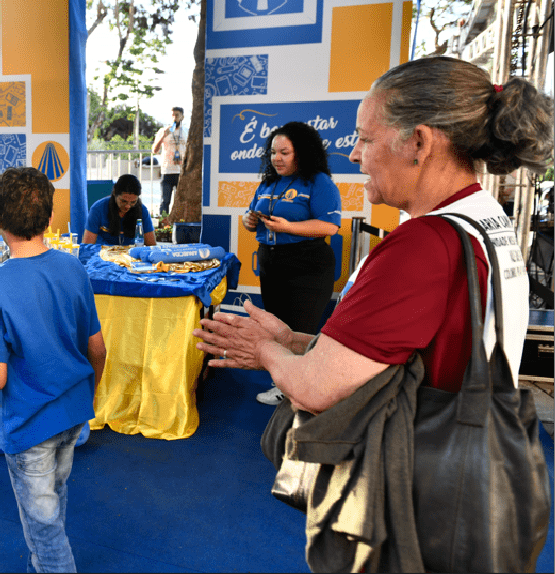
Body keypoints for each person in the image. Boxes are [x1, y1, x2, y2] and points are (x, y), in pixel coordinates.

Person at [193, 57, 552, 567]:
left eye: (365, 138)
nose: (355, 154)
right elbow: (407, 350)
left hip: (415, 493)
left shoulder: (423, 245)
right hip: (477, 473)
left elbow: (316, 388)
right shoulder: (483, 218)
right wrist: (297, 341)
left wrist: (266, 350)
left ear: (420, 142)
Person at [0, 167, 107, 573]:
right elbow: (98, 348)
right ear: (51, 218)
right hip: (74, 414)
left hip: (30, 426)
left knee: (46, 530)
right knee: (54, 500)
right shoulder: (74, 267)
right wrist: (89, 394)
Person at [241, 121, 341, 404]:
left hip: (307, 264)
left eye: (284, 152)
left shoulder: (319, 182)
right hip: (272, 262)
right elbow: (254, 217)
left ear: (302, 153)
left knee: (300, 329)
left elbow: (330, 226)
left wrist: (289, 228)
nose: (277, 158)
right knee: (277, 326)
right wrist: (249, 221)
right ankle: (285, 384)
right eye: (273, 152)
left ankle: (300, 392)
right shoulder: (268, 182)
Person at [83, 174, 156, 246]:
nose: (128, 206)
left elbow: (151, 246)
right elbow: (87, 246)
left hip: (130, 255)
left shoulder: (142, 210)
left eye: (133, 202)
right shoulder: (98, 209)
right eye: (123, 201)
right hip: (102, 254)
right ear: (115, 193)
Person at [151, 106, 187, 215]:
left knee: (182, 201)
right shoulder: (163, 131)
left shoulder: (186, 131)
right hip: (167, 171)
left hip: (181, 171)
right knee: (165, 200)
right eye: (172, 115)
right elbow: (154, 150)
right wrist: (163, 136)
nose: (174, 117)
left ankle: (179, 223)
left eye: (177, 115)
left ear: (182, 117)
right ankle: (163, 225)